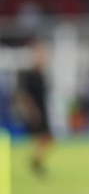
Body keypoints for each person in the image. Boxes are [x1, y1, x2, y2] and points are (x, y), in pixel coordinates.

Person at [16, 39, 53, 176]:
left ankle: (36, 162)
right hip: (35, 112)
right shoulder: (29, 75)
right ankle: (35, 162)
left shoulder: (41, 74)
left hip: (42, 110)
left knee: (46, 138)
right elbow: (23, 96)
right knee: (43, 137)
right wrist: (31, 112)